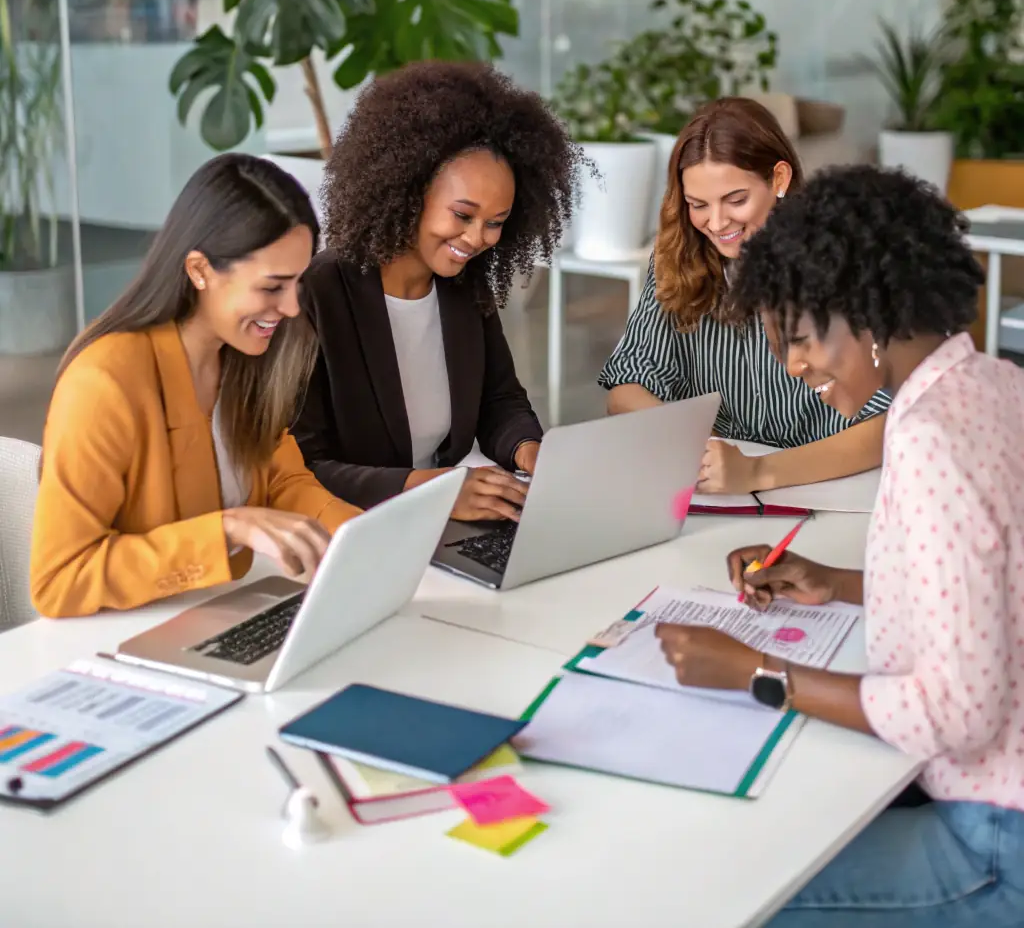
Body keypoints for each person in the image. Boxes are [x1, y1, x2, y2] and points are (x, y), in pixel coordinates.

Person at [656, 165, 1024, 926]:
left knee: (732, 898)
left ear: (866, 312)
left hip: (994, 838)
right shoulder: (993, 384)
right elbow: (991, 588)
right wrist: (835, 580)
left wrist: (756, 670)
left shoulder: (925, 438)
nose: (792, 367)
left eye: (798, 338)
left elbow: (958, 713)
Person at [31, 155, 360, 619]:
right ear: (200, 270)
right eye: (272, 287)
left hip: (217, 613)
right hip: (121, 637)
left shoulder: (244, 360)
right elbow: (59, 580)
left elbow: (282, 479)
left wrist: (361, 538)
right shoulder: (105, 383)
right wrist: (227, 528)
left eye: (298, 283)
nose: (290, 308)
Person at [293, 61, 587, 522]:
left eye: (496, 223)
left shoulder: (462, 286)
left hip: (441, 525)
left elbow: (499, 400)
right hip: (352, 528)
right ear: (410, 190)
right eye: (463, 215)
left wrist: (532, 453)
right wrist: (432, 490)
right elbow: (302, 465)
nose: (476, 239)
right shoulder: (318, 293)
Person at [598, 98, 888, 493]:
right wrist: (696, 446)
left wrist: (757, 472)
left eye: (736, 200)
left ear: (779, 179)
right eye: (698, 205)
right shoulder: (677, 257)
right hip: (722, 491)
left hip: (834, 489)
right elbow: (626, 390)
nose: (716, 224)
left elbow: (885, 424)